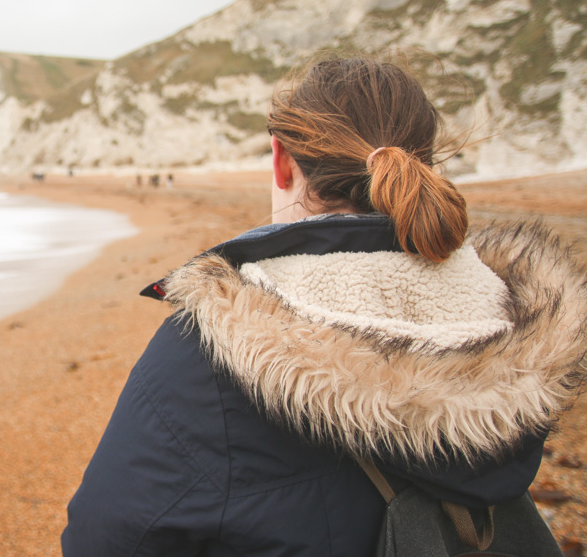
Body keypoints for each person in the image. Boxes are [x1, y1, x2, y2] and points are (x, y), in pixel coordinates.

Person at [61, 56, 587, 555]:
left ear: (281, 160)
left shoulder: (207, 356)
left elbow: (104, 539)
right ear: (423, 168)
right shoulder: (512, 319)